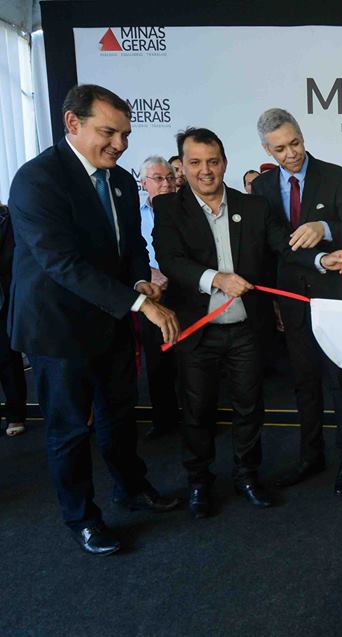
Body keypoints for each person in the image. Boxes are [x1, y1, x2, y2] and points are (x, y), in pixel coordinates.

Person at [7, 84, 181, 555]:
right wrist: (140, 304)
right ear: (72, 123)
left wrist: (140, 280)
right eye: (109, 132)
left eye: (125, 134)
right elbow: (62, 264)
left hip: (112, 321)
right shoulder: (36, 180)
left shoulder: (120, 180)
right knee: (68, 430)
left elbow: (131, 246)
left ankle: (131, 487)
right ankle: (81, 518)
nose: (120, 144)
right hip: (58, 328)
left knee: (119, 415)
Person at [153, 127, 342, 518]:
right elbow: (171, 260)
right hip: (198, 331)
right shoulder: (168, 208)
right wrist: (217, 279)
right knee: (198, 411)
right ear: (182, 167)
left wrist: (320, 260)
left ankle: (247, 476)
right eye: (195, 163)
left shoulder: (253, 206)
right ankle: (199, 482)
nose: (206, 170)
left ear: (224, 162)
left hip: (245, 330)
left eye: (213, 161)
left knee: (249, 407)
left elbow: (283, 245)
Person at [251, 108, 342, 494]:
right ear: (267, 150)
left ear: (302, 135)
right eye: (280, 149)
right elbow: (273, 243)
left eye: (295, 143)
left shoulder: (337, 176)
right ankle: (310, 456)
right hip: (292, 297)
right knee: (304, 383)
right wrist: (277, 298)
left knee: (341, 381)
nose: (291, 154)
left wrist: (324, 227)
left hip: (333, 297)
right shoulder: (262, 188)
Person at [137, 156, 181, 439]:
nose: (166, 184)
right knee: (156, 361)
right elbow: (129, 252)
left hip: (185, 291)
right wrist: (148, 273)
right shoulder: (132, 214)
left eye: (170, 178)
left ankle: (197, 421)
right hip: (151, 296)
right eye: (159, 178)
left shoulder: (186, 209)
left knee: (190, 361)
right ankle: (164, 419)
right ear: (144, 183)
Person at [0, 202, 26, 437]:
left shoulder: (7, 217)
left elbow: (13, 257)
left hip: (5, 296)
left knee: (8, 357)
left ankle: (15, 415)